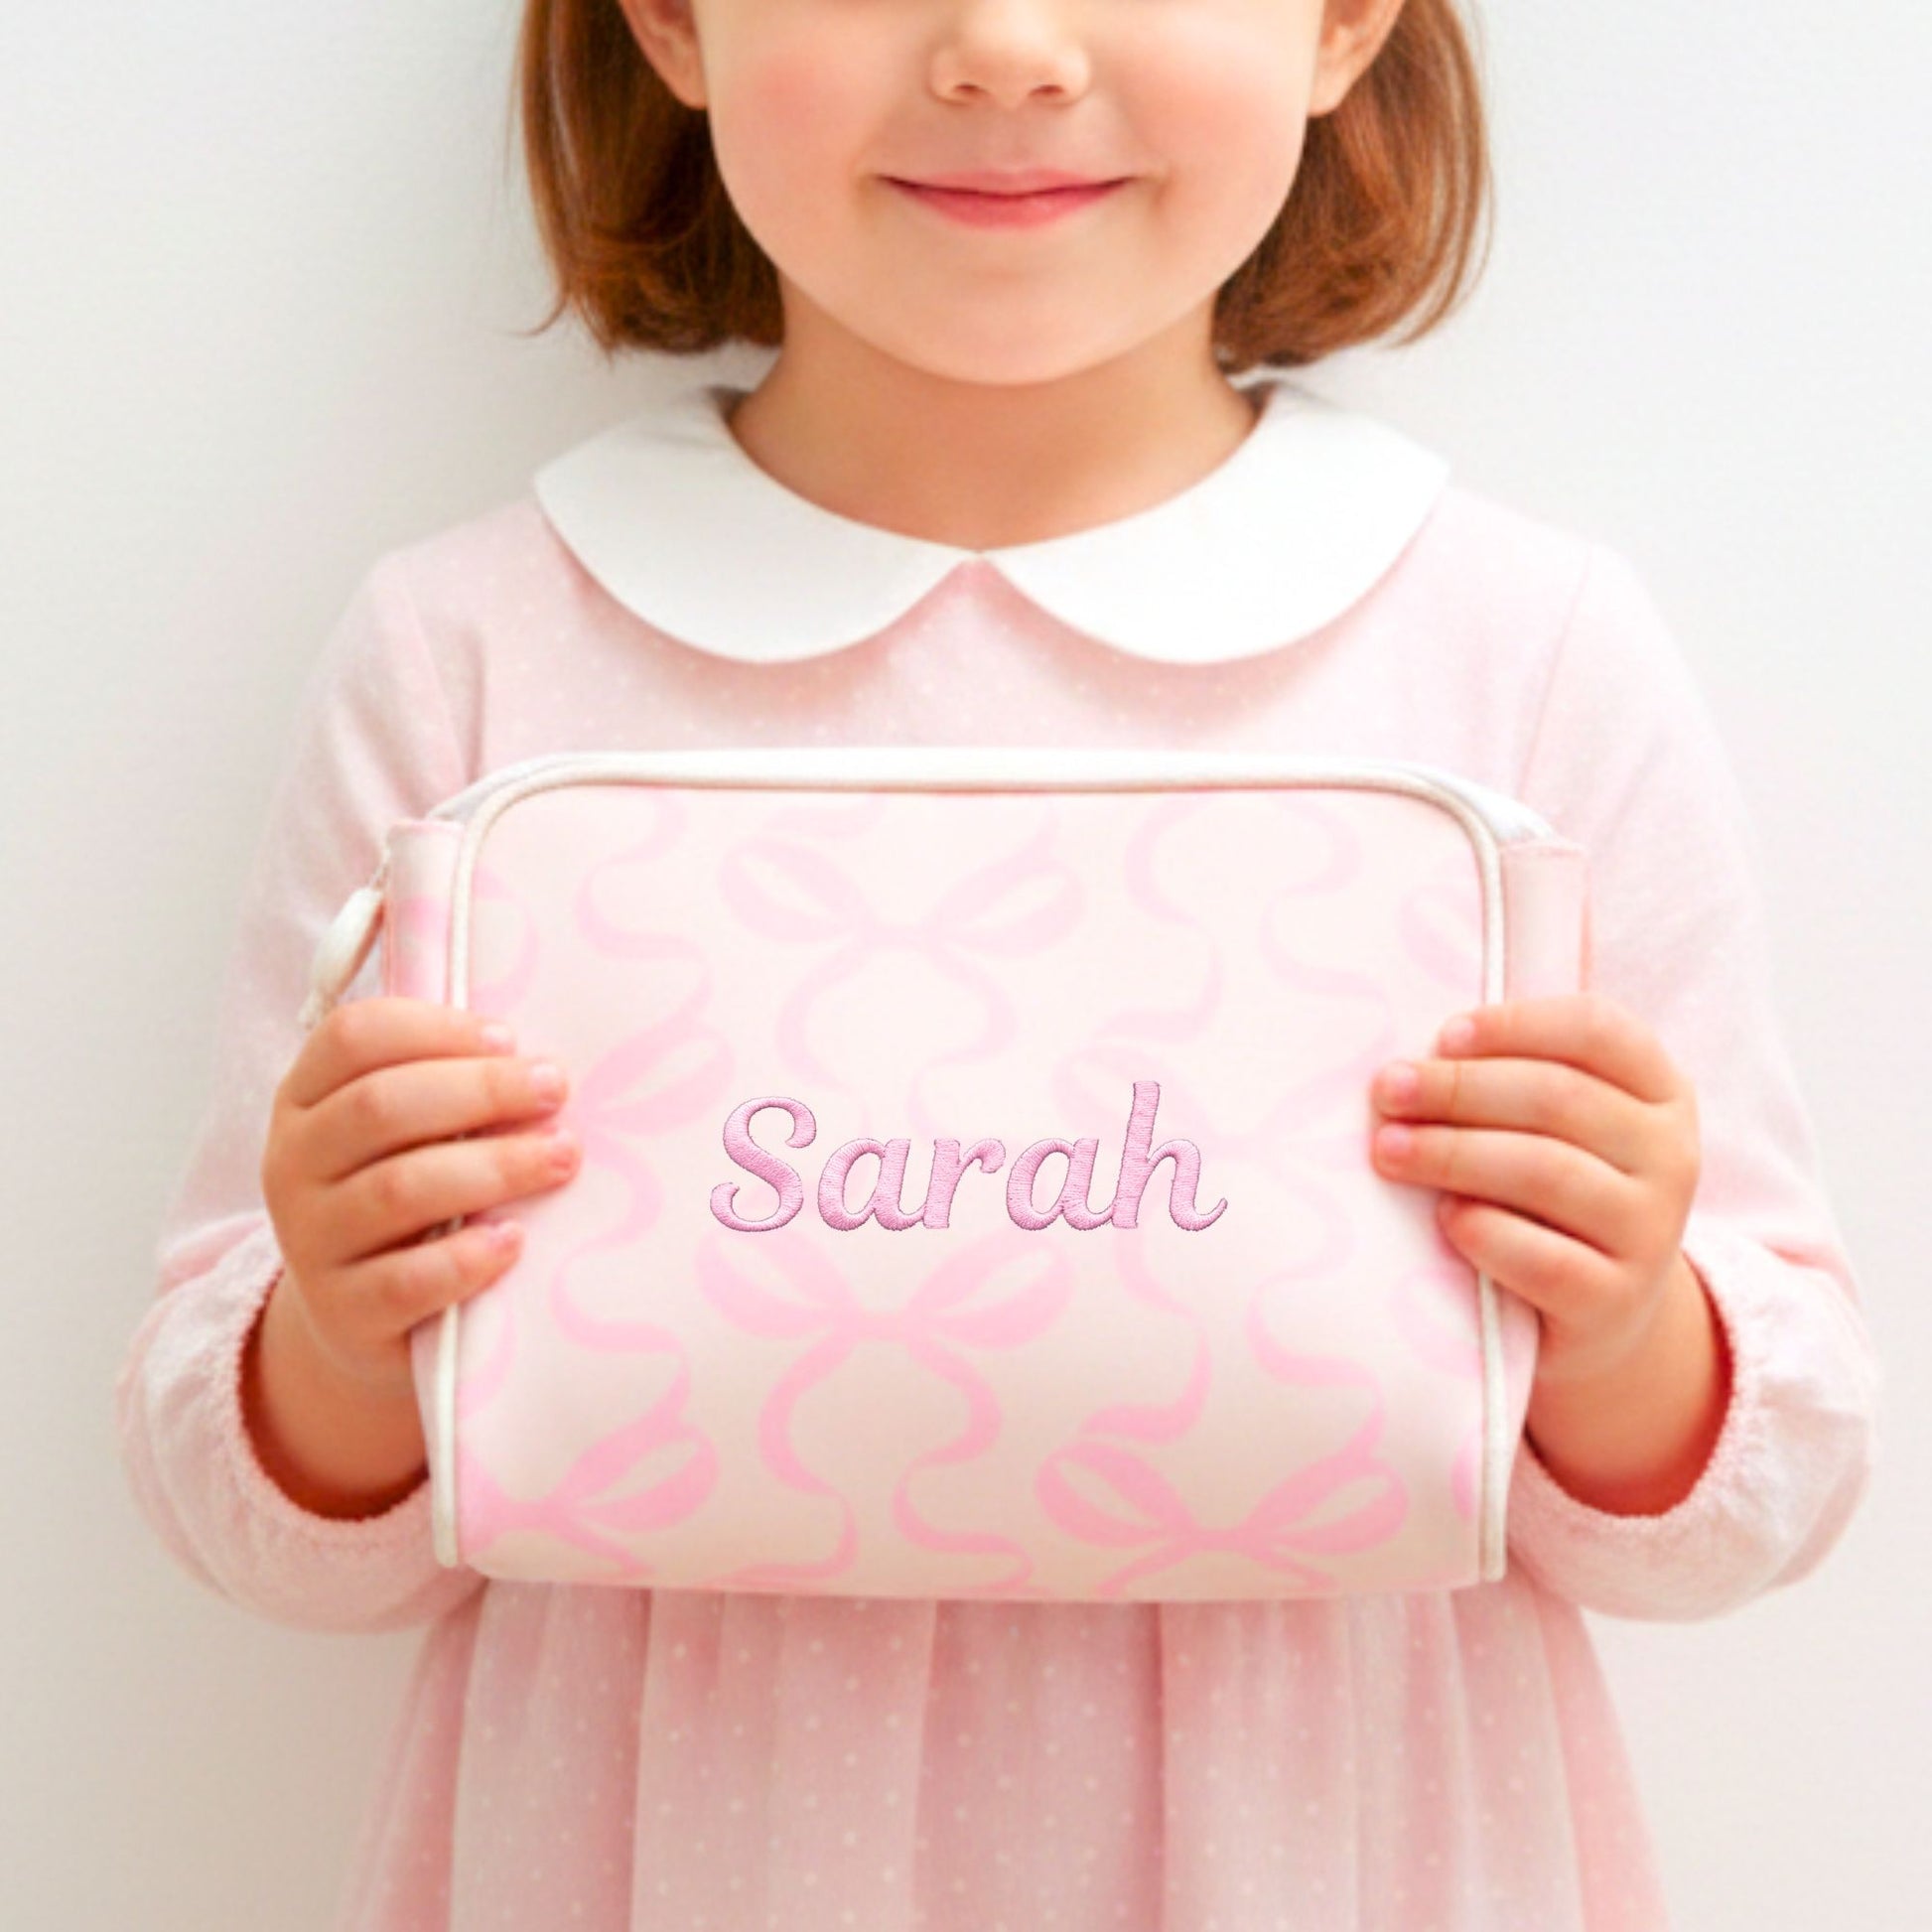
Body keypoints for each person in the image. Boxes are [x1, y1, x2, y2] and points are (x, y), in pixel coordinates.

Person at [112, 0, 1883, 1925]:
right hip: (675, 1855)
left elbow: (1759, 1487)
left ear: (1344, 20)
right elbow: (262, 1515)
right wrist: (344, 1329)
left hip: (1326, 1850)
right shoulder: (475, 647)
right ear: (672, 20)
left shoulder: (1513, 651)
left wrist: (1619, 1326)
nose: (1007, 50)